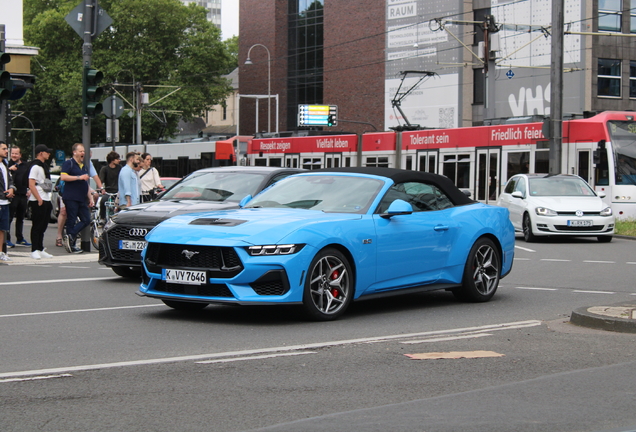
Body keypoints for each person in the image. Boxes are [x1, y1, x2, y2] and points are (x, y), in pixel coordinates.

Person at [60, 143, 91, 254]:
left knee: (86, 219)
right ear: (74, 152)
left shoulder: (84, 166)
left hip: (82, 198)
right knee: (71, 219)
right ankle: (71, 244)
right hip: (71, 197)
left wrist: (90, 197)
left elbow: (86, 184)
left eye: (83, 151)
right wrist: (79, 177)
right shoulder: (69, 163)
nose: (83, 153)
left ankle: (70, 235)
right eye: (80, 151)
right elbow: (63, 176)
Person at [28, 145, 54, 260]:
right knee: (37, 225)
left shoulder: (44, 166)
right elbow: (31, 184)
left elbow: (46, 182)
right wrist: (38, 198)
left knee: (43, 225)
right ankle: (34, 249)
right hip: (38, 198)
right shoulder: (35, 166)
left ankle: (40, 247)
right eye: (46, 152)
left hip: (46, 197)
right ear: (40, 153)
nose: (48, 154)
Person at [7, 146, 31, 248]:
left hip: (23, 194)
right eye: (12, 153)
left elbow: (30, 178)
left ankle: (20, 238)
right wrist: (10, 170)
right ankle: (6, 239)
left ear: (20, 155)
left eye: (16, 153)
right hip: (12, 195)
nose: (14, 155)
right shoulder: (7, 164)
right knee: (9, 218)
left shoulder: (26, 165)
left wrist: (30, 189)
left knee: (21, 218)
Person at [0, 141, 16, 262]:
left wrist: (11, 188)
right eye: (4, 149)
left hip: (5, 201)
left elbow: (10, 180)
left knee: (3, 229)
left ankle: (1, 252)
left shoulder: (4, 164)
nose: (7, 151)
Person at [98, 151, 121, 220]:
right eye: (117, 159)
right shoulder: (104, 169)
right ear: (112, 160)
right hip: (108, 191)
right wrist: (102, 189)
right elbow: (100, 181)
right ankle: (102, 218)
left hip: (118, 192)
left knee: (120, 204)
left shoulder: (120, 168)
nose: (119, 160)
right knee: (103, 201)